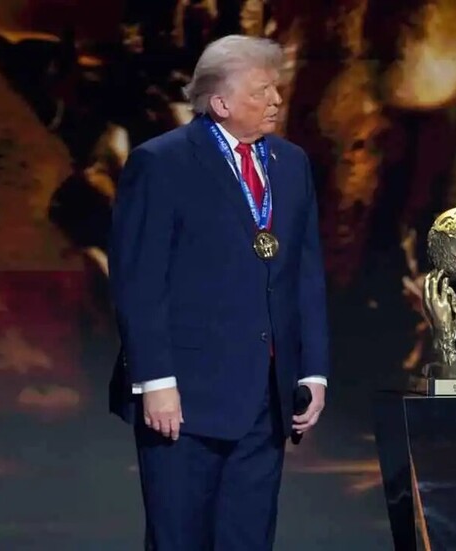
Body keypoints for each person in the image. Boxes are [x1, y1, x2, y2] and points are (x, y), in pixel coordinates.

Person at [108, 35, 330, 550]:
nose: (276, 100)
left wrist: (312, 371)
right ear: (221, 103)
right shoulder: (162, 162)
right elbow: (139, 281)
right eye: (261, 91)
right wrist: (155, 380)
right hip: (184, 397)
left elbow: (305, 274)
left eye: (276, 88)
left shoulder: (291, 163)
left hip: (266, 397)